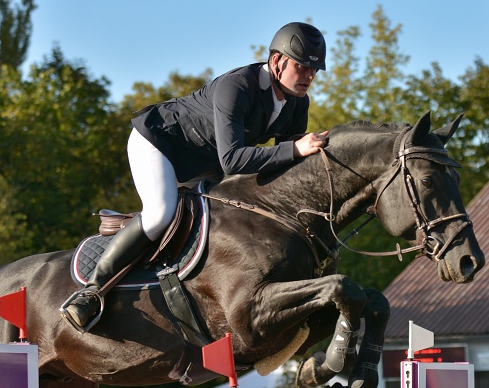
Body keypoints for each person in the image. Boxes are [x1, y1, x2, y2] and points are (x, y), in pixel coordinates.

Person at [61, 22, 329, 332]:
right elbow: (233, 160)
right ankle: (91, 292)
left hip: (204, 163)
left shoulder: (297, 103)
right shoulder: (238, 86)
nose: (310, 75)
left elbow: (285, 166)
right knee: (161, 213)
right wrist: (296, 149)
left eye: (314, 69)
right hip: (159, 144)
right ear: (276, 61)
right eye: (302, 66)